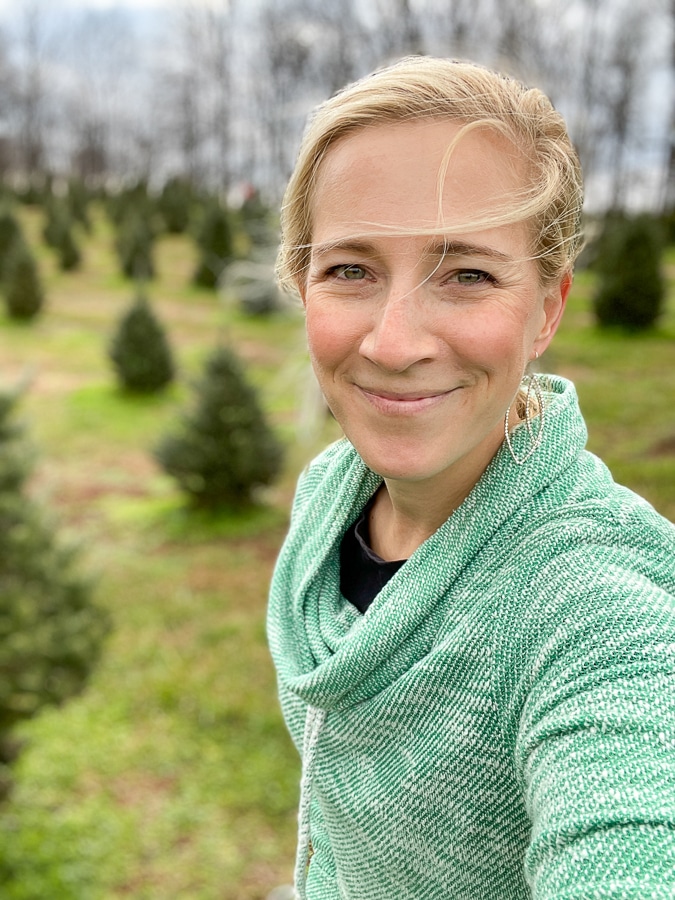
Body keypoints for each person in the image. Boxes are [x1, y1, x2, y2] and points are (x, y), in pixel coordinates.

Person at [266, 56, 675, 900]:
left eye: (467, 275)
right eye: (351, 269)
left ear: (547, 309)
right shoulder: (328, 495)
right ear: (300, 282)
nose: (392, 341)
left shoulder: (600, 612)